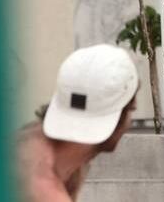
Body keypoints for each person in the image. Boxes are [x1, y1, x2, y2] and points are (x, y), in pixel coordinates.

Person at [16, 44, 138, 201]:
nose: (130, 122)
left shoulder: (39, 145)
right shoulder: (45, 189)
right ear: (120, 117)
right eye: (132, 109)